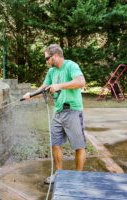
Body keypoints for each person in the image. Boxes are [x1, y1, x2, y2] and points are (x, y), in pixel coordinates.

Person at [23, 44, 86, 184]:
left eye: (47, 58)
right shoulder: (51, 72)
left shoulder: (71, 66)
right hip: (57, 113)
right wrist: (31, 95)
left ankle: (79, 177)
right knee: (55, 144)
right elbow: (44, 88)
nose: (47, 61)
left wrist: (60, 85)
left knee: (78, 146)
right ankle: (58, 174)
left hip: (73, 111)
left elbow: (81, 82)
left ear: (55, 55)